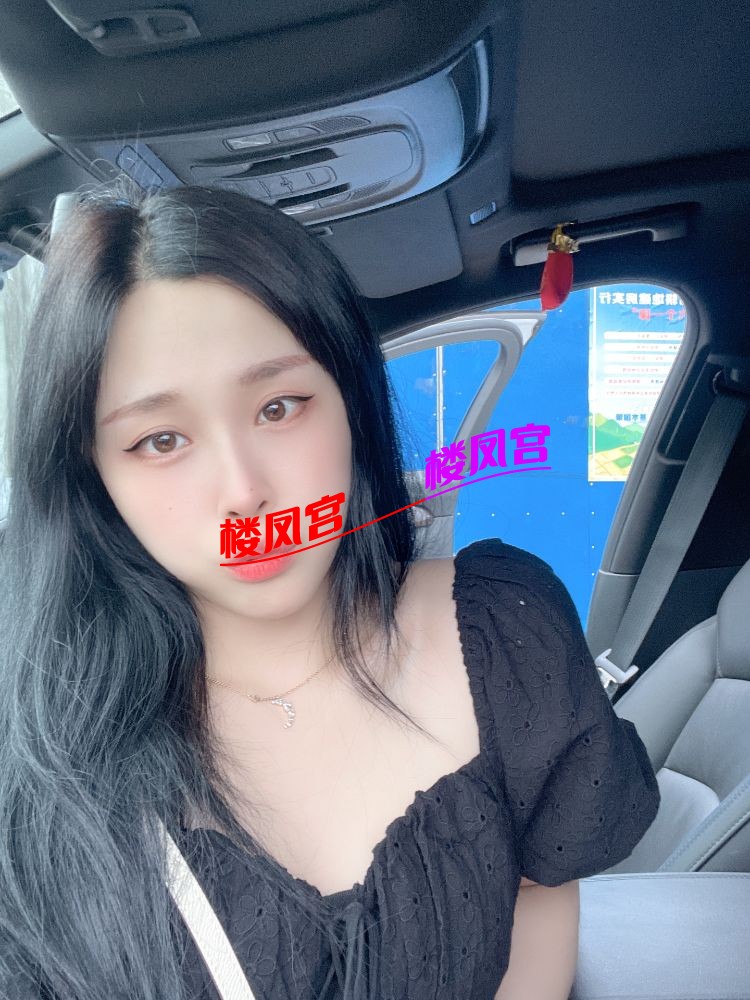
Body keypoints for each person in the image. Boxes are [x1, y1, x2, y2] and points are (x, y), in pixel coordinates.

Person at [0, 182, 661, 1000]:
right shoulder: (43, 739)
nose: (244, 492)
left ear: (351, 403)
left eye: (279, 407)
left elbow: (540, 892)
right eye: (161, 440)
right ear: (93, 476)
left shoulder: (505, 632)